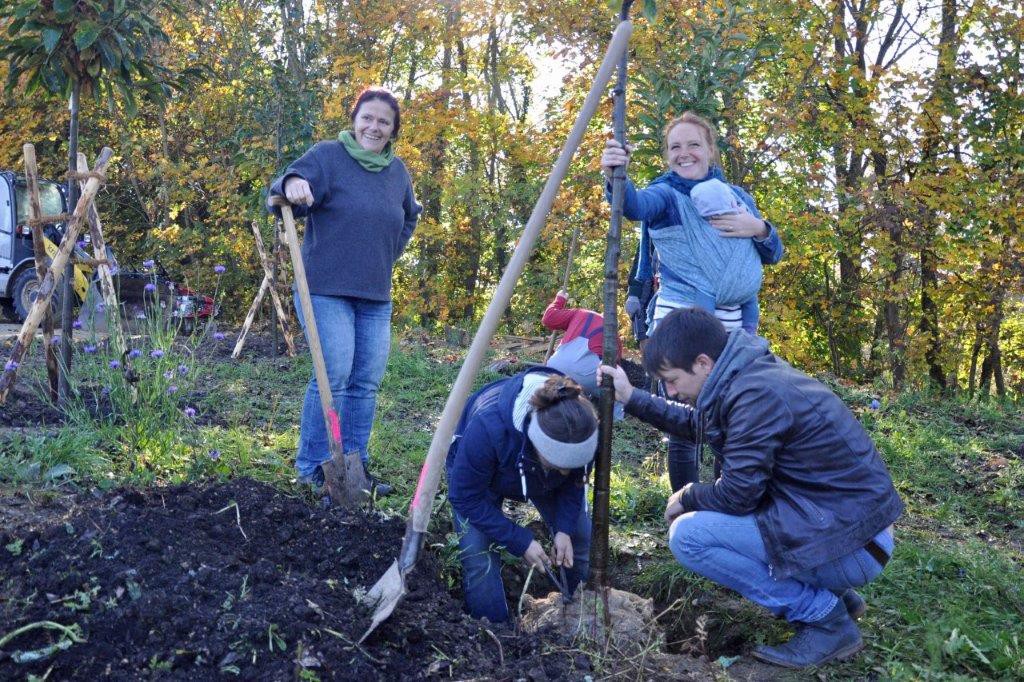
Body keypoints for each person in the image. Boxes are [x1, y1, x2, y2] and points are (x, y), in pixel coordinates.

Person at [598, 308, 904, 669]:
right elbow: (703, 423)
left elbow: (738, 496)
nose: (670, 390)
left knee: (689, 536)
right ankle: (836, 596)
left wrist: (689, 494)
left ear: (702, 363)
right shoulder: (747, 376)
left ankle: (825, 618)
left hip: (851, 545)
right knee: (706, 525)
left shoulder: (756, 395)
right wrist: (633, 398)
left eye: (672, 379)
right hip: (845, 530)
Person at [602, 112, 784, 492]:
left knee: (732, 417)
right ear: (667, 155)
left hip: (734, 326)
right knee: (683, 422)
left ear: (710, 151)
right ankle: (686, 507)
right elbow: (634, 205)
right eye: (675, 147)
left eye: (693, 145)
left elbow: (772, 253)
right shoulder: (666, 195)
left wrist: (760, 228)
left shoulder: (737, 198)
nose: (684, 153)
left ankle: (726, 500)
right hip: (683, 320)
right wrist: (615, 176)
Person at [268, 86, 422, 495]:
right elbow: (280, 187)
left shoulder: (397, 173)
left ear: (393, 130)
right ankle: (313, 468)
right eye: (367, 117)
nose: (374, 126)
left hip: (375, 295)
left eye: (383, 122)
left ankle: (355, 468)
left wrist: (388, 252)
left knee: (365, 383)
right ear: (354, 120)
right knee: (333, 378)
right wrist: (295, 181)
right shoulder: (328, 157)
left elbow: (409, 217)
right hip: (325, 289)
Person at [446, 369, 597, 622]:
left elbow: (574, 482)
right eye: (557, 463)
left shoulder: (581, 428)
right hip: (481, 481)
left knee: (580, 536)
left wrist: (564, 528)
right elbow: (464, 497)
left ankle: (578, 616)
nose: (564, 472)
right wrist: (519, 540)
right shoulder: (487, 427)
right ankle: (495, 635)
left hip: (537, 475)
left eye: (570, 466)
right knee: (479, 557)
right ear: (536, 442)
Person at [541, 289, 623, 398]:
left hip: (555, 367)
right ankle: (614, 414)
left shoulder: (581, 314)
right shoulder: (614, 335)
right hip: (587, 377)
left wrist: (560, 299)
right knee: (615, 394)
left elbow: (548, 318)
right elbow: (614, 365)